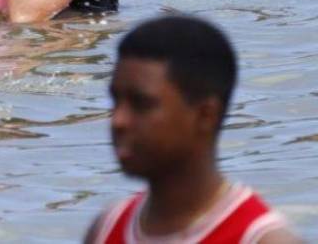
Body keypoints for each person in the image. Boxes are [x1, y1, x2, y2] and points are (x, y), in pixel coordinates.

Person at [85, 15, 298, 243]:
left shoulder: (260, 238)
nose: (119, 121)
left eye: (142, 104)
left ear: (205, 115)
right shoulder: (106, 228)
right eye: (116, 101)